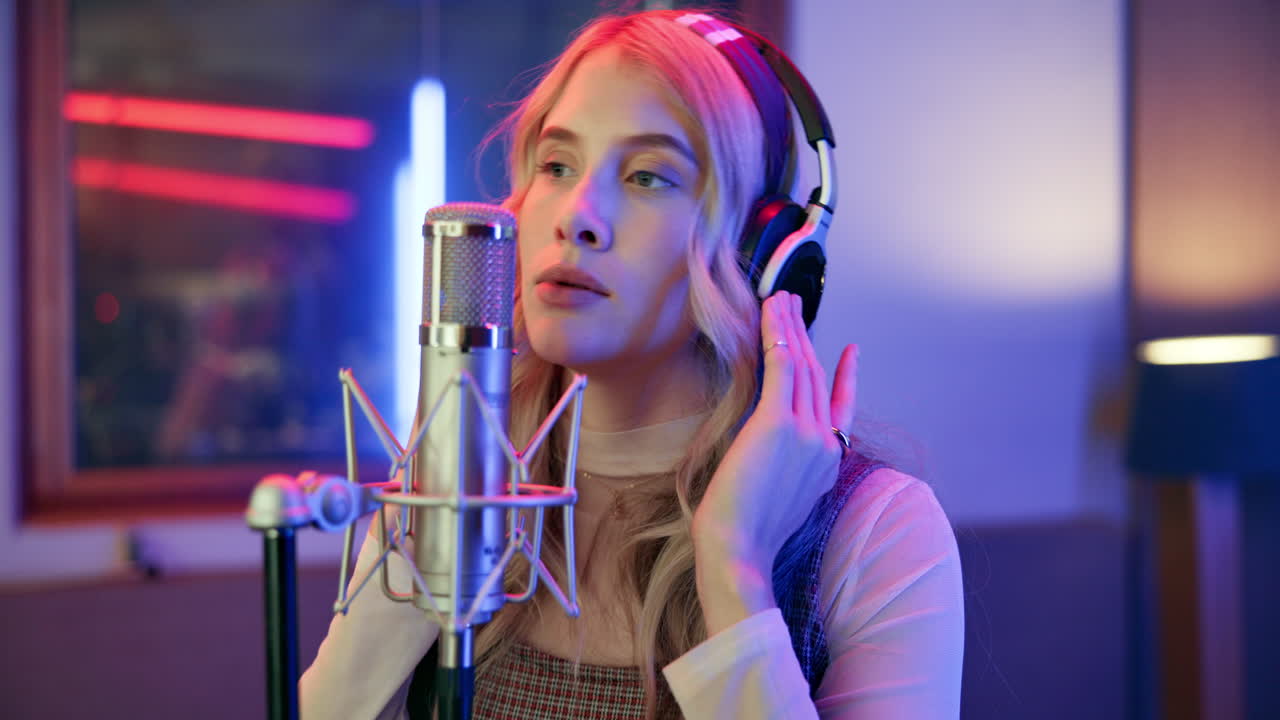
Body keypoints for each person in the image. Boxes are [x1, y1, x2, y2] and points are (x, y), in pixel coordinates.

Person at [300, 8, 963, 719]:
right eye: (557, 165)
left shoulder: (876, 534)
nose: (577, 214)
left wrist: (732, 564)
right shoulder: (462, 480)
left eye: (649, 176)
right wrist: (431, 531)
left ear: (762, 255)